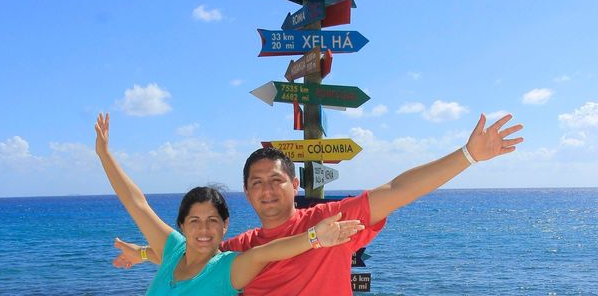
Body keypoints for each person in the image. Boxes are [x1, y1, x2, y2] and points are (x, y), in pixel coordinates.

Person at [113, 113, 524, 295]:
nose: (267, 190)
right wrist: (145, 253)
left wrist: (466, 156)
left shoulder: (331, 219)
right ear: (247, 193)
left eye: (276, 180)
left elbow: (398, 189)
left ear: (295, 184)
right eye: (256, 183)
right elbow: (199, 258)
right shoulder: (242, 246)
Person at [94, 113, 365, 295]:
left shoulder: (228, 267)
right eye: (195, 221)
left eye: (212, 220)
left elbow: (266, 253)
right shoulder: (174, 250)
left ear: (225, 226)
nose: (203, 229)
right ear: (182, 227)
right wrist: (104, 154)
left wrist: (315, 237)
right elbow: (136, 204)